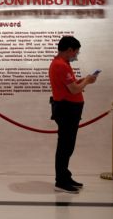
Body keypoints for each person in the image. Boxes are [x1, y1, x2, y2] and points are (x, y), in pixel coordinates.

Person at [48, 36, 97, 194]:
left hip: (69, 109)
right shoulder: (60, 65)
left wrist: (83, 80)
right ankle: (61, 181)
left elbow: (73, 85)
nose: (77, 54)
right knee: (65, 146)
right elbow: (74, 90)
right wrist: (87, 81)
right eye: (76, 51)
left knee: (67, 145)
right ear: (69, 50)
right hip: (66, 110)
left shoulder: (62, 64)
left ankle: (65, 176)